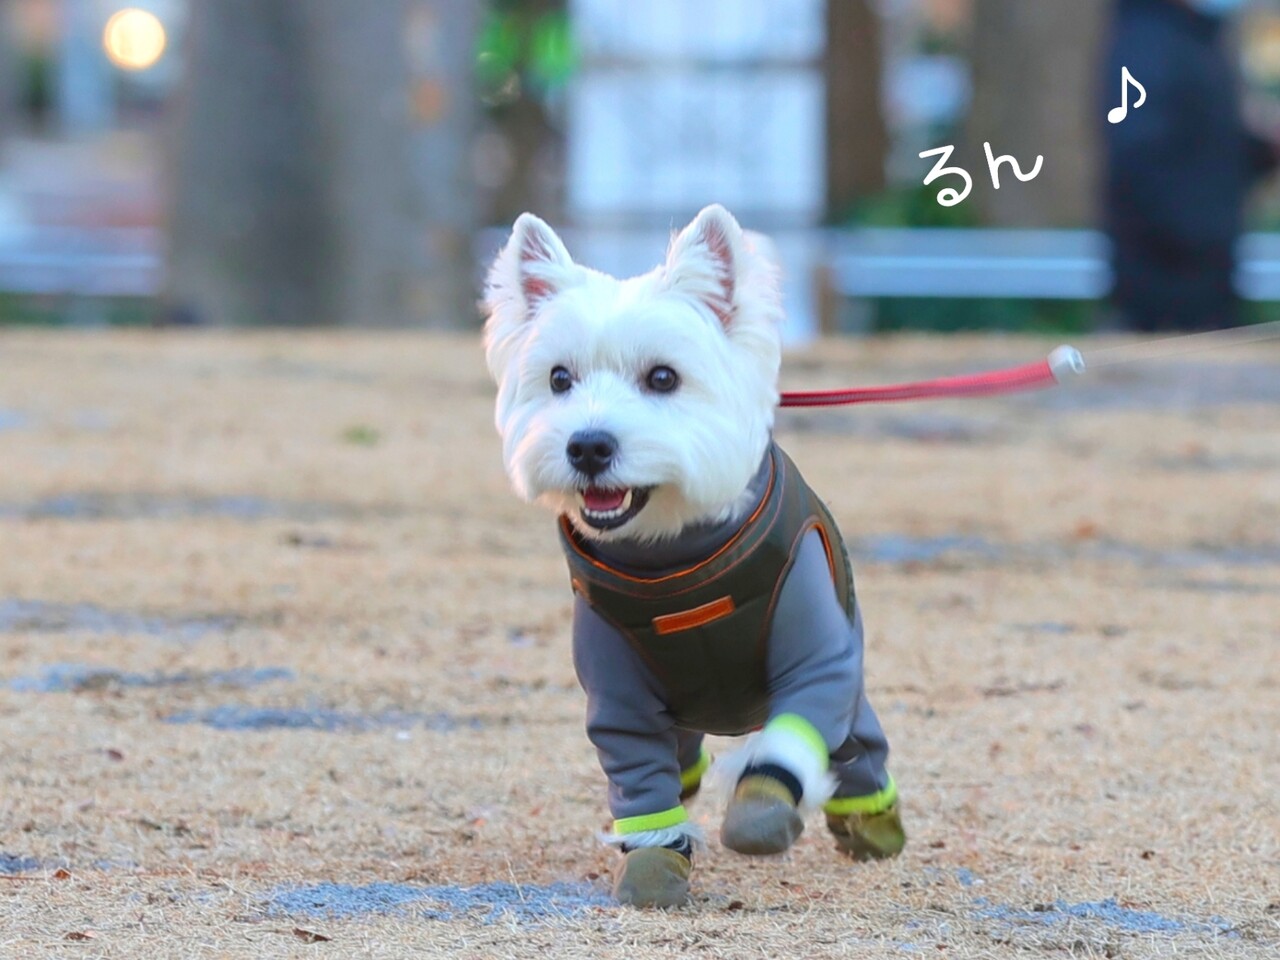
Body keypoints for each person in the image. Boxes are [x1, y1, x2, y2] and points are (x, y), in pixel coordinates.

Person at [1102, 0, 1278, 331]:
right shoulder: (1148, 44)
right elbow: (1142, 157)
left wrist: (1262, 150)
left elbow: (1208, 147)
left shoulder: (1198, 41)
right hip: (1165, 282)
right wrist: (1199, 231)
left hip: (1207, 274)